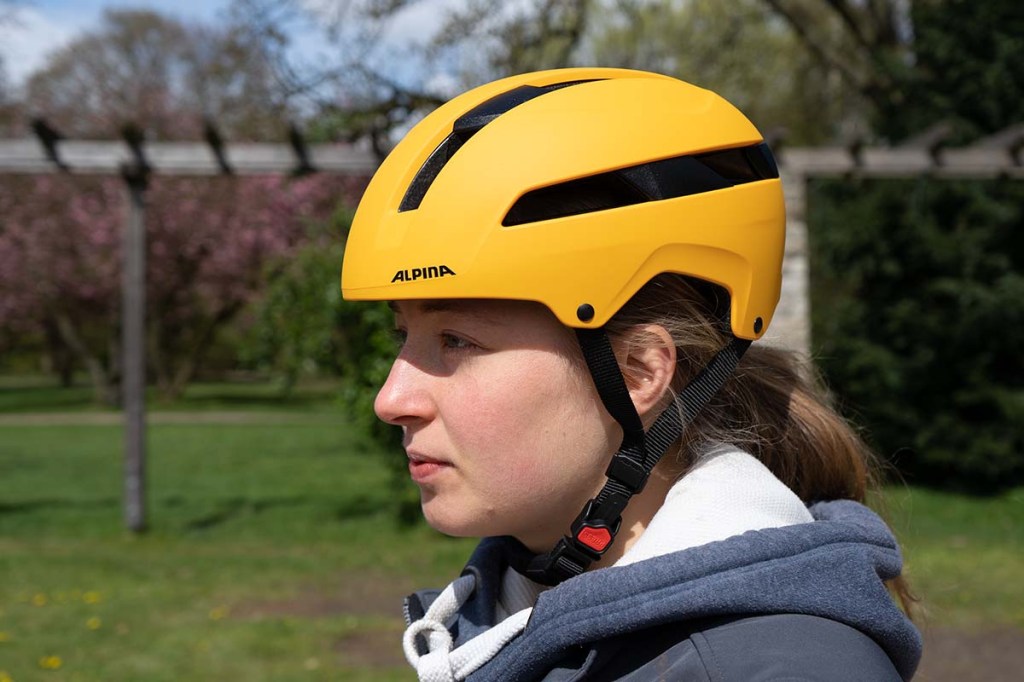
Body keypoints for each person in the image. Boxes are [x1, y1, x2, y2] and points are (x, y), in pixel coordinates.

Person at [341, 68, 922, 681]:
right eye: (404, 336)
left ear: (640, 372)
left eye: (456, 340)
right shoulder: (508, 605)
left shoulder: (776, 669)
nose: (391, 399)